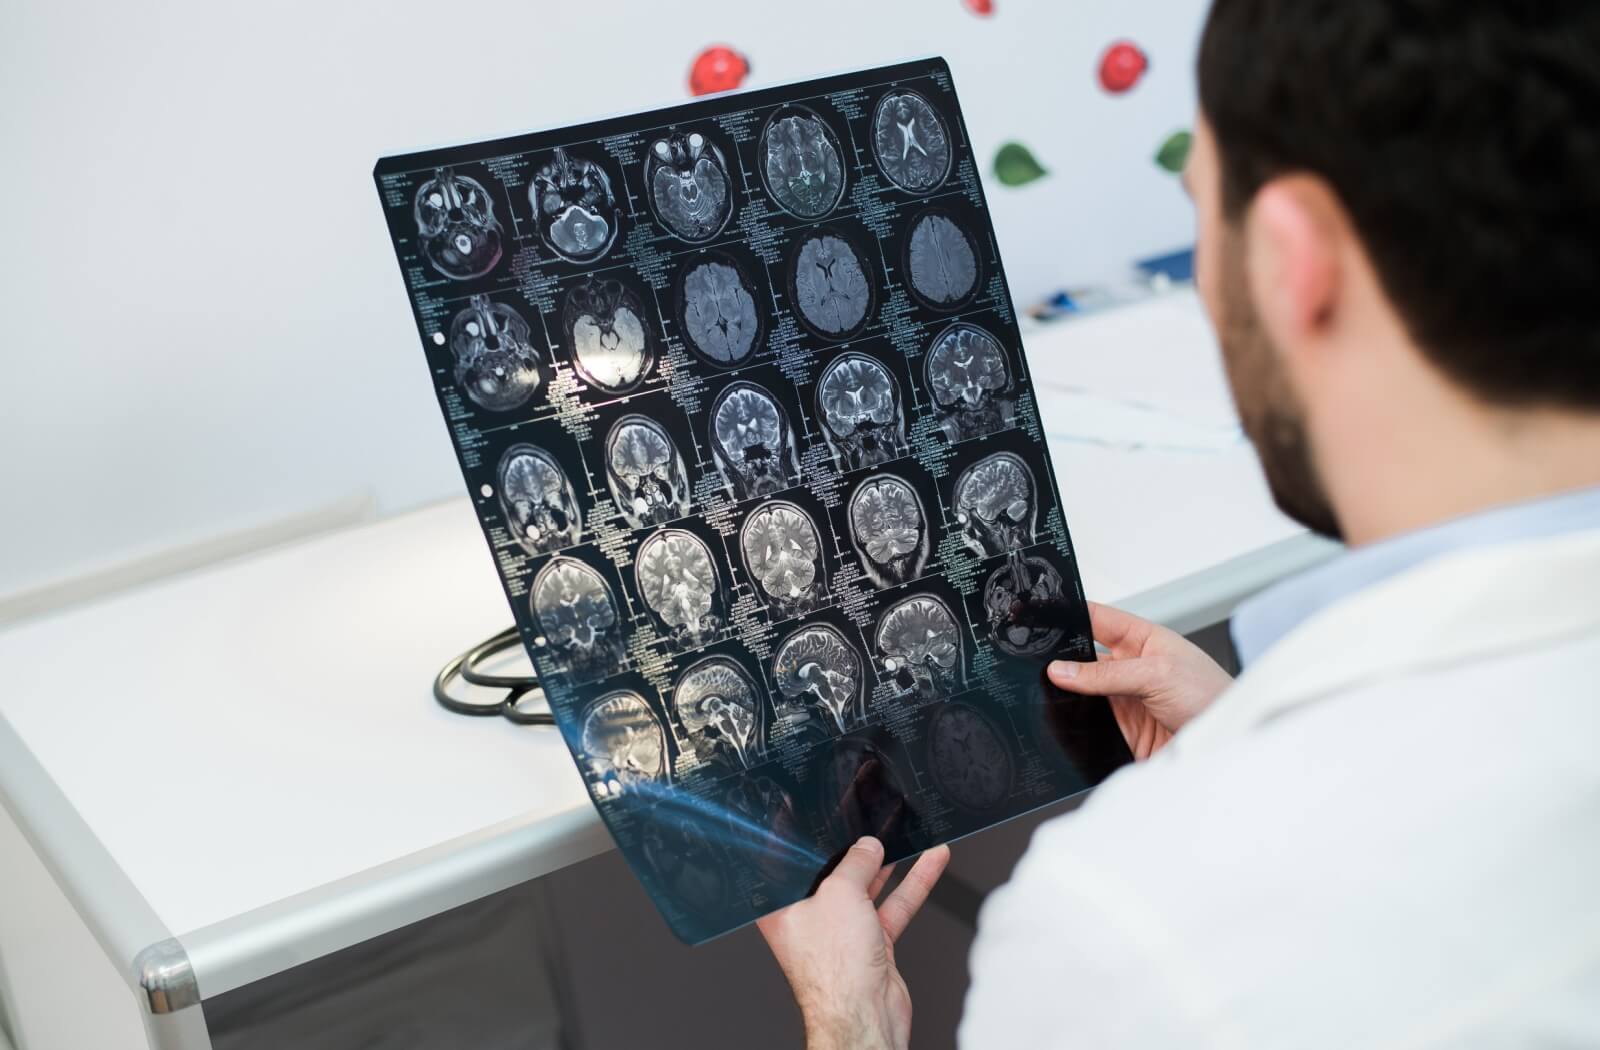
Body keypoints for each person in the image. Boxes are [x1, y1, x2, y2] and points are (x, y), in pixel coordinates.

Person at [757, 0, 1600, 1045]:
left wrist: (850, 1022)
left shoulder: (1129, 933)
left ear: (1294, 258)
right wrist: (1256, 736)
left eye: (1203, 210)